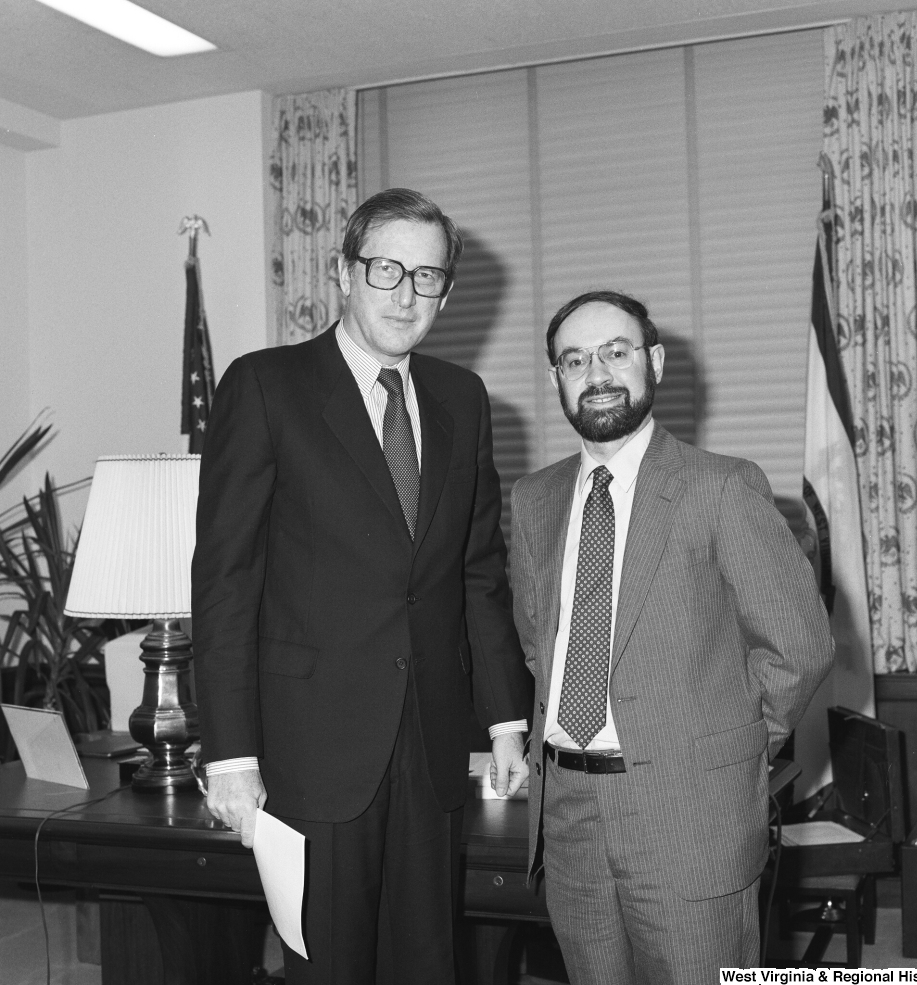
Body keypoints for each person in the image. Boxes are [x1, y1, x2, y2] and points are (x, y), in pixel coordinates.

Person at [191, 188, 531, 985]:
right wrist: (231, 752)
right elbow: (226, 579)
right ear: (345, 273)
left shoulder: (462, 398)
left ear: (447, 290)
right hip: (312, 750)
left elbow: (477, 571)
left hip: (434, 746)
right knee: (329, 967)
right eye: (386, 269)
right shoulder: (266, 386)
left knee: (427, 964)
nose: (407, 293)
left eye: (428, 275)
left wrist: (506, 717)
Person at [508, 290, 833, 984]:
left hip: (689, 815)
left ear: (652, 361)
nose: (595, 372)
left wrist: (725, 745)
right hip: (566, 817)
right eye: (574, 359)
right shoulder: (533, 501)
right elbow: (542, 646)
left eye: (615, 352)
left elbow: (798, 645)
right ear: (557, 378)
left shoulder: (720, 487)